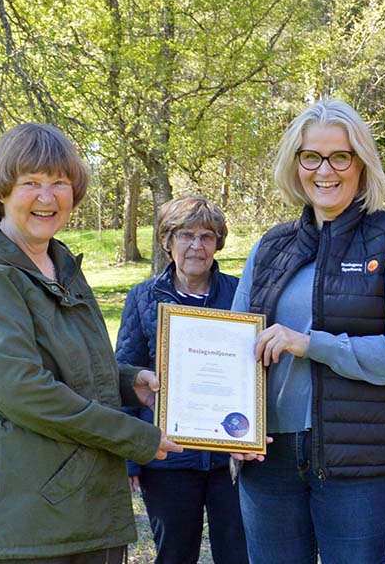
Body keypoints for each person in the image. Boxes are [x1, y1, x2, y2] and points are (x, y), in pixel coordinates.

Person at [0, 123, 182, 564]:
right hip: (22, 522)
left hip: (80, 509)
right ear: (2, 191)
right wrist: (133, 435)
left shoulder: (57, 261)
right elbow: (20, 389)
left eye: (59, 183)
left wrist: (131, 383)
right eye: (30, 183)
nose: (47, 198)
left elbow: (72, 362)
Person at [229, 98, 385, 564]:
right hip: (267, 458)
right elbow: (235, 344)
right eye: (311, 156)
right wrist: (229, 433)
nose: (325, 170)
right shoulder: (270, 246)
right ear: (296, 163)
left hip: (359, 457)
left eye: (340, 156)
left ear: (361, 164)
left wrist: (310, 344)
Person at [115, 196, 246, 564]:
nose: (196, 246)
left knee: (239, 554)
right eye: (186, 235)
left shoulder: (240, 294)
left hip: (230, 457)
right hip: (166, 456)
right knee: (174, 554)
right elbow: (124, 375)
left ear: (218, 242)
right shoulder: (143, 298)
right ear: (167, 241)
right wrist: (132, 456)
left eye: (207, 236)